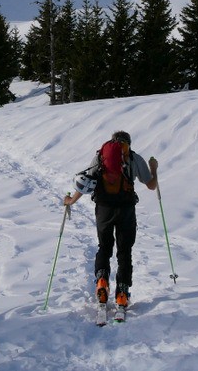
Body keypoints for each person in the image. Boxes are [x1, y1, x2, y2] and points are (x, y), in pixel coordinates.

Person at [64, 130, 158, 308]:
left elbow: (86, 181)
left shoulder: (101, 157)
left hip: (104, 209)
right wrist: (154, 168)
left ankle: (101, 281)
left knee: (104, 246)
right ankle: (122, 292)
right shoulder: (134, 158)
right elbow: (151, 185)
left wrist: (70, 201)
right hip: (126, 209)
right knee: (124, 250)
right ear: (128, 143)